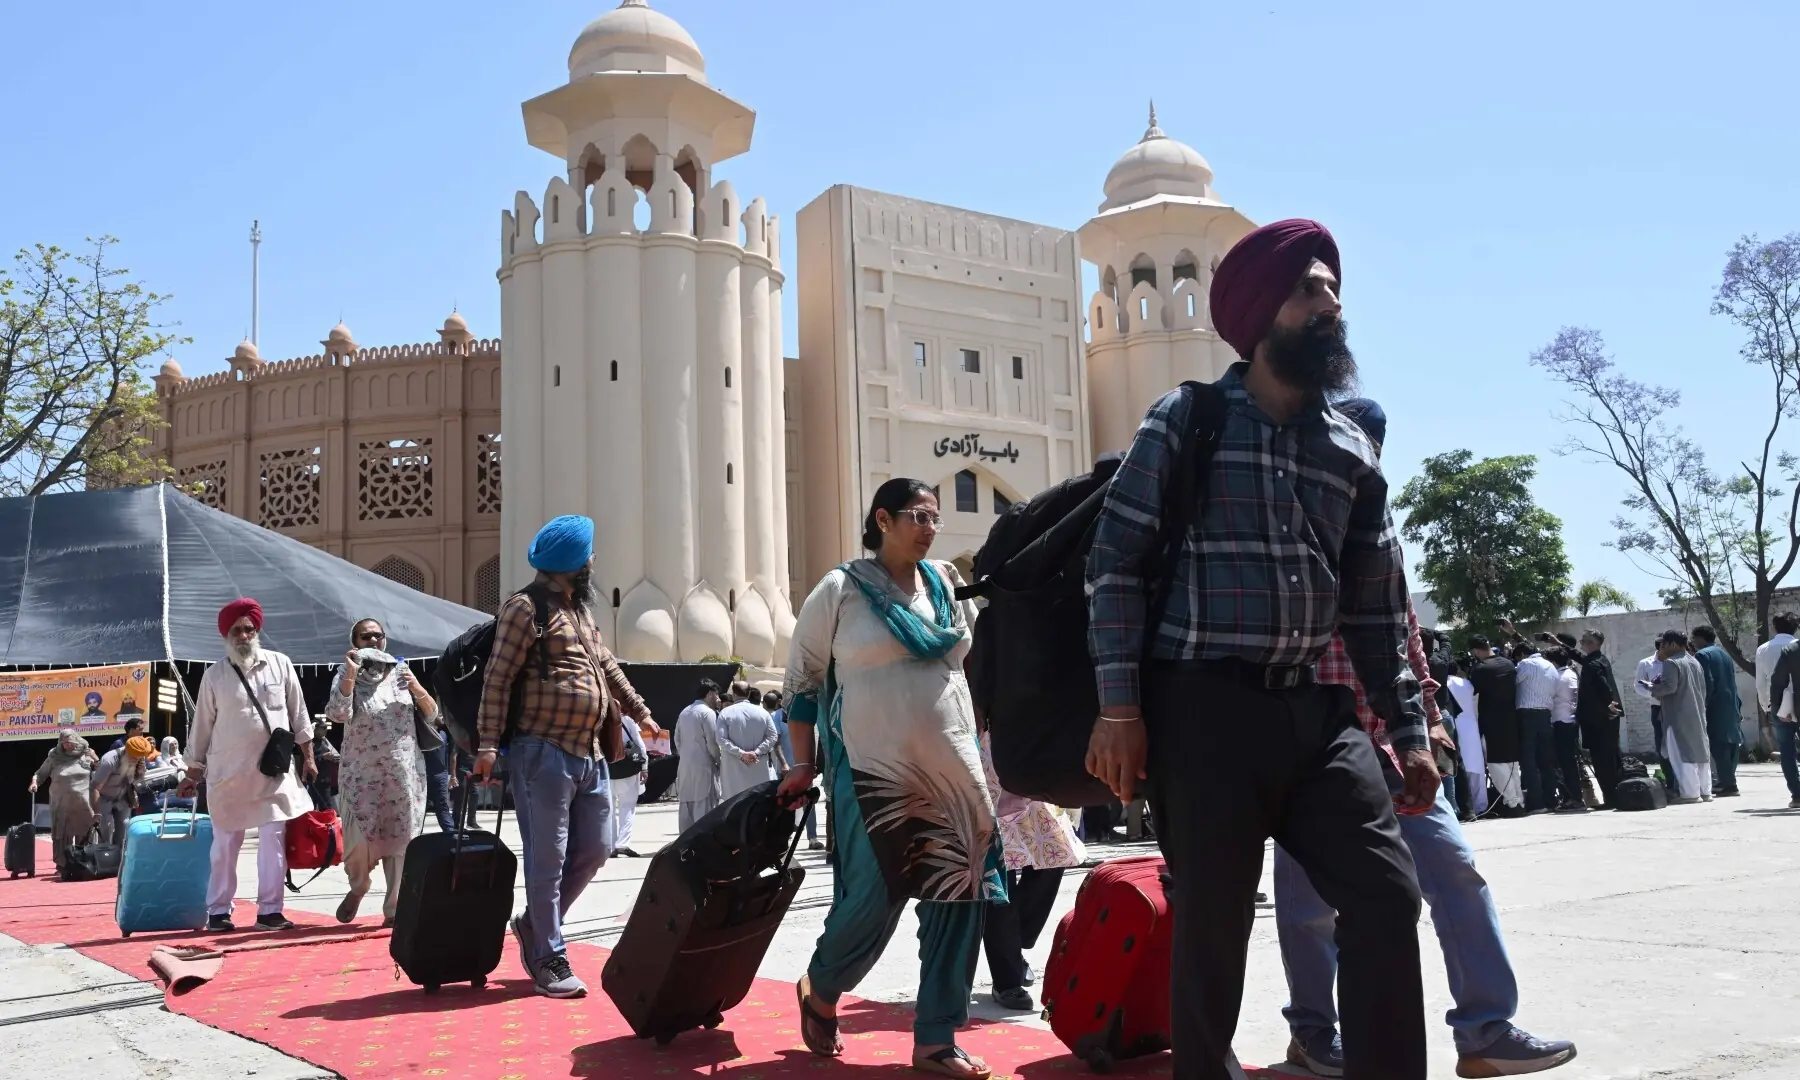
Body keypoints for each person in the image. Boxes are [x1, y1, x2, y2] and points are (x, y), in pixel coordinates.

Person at [1084, 219, 1431, 1080]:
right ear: (1256, 310)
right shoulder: (1191, 418)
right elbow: (1114, 562)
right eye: (1309, 289)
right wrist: (1120, 709)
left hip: (1315, 715)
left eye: (1333, 290)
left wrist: (1412, 730)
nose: (1330, 304)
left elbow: (1376, 609)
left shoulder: (1351, 451)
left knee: (1388, 896)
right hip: (1201, 709)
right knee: (1215, 921)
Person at [1281, 627, 1576, 1078]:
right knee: (1310, 901)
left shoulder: (1381, 560)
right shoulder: (1292, 559)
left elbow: (1410, 647)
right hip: (1311, 752)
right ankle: (1311, 1030)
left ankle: (1485, 1031)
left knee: (1456, 870)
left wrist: (1431, 720)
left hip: (1398, 747)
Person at [782, 477, 1002, 1080]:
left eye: (935, 517)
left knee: (958, 895)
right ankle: (821, 987)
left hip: (952, 770)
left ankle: (936, 1040)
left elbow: (966, 671)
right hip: (869, 770)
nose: (930, 527)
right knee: (873, 898)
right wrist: (803, 764)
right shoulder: (840, 589)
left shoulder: (948, 587)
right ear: (882, 519)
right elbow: (802, 683)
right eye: (917, 515)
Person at [470, 515, 651, 999]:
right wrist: (488, 745)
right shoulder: (525, 609)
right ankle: (548, 955)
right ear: (574, 562)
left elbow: (605, 665)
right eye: (589, 554)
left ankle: (535, 924)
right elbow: (498, 679)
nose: (594, 560)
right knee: (546, 860)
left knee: (596, 848)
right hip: (541, 751)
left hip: (588, 751)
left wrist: (640, 711)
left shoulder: (577, 611)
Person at [183, 598, 318, 932]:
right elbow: (201, 726)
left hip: (273, 772)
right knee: (225, 846)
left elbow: (298, 714)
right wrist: (192, 771)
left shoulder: (281, 664)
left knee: (273, 839)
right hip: (228, 775)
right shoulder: (214, 675)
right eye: (236, 631)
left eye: (249, 629)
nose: (243, 636)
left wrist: (310, 757)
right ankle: (218, 912)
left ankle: (270, 911)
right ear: (226, 636)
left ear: (257, 631)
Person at [326, 620, 434, 926]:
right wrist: (349, 674)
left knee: (402, 842)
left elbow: (432, 713)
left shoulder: (402, 671)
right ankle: (358, 887)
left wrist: (416, 687)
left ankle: (395, 910)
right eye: (366, 635)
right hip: (362, 775)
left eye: (378, 635)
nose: (373, 639)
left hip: (402, 772)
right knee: (359, 842)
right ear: (355, 642)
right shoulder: (346, 674)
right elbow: (337, 713)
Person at [977, 729, 1082, 1013]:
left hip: (1030, 761)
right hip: (985, 762)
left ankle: (1013, 942)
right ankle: (1007, 979)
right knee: (999, 877)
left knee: (1056, 856)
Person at [1645, 630, 1713, 803]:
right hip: (1697, 713)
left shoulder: (1671, 663)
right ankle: (1705, 791)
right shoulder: (1694, 661)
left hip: (1677, 716)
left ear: (1673, 644)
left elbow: (1669, 688)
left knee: (1681, 754)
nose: (1663, 649)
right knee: (1700, 753)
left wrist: (1652, 687)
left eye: (1664, 645)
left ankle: (1690, 794)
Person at [29, 730, 98, 876]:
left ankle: (82, 861)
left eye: (70, 742)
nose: (67, 745)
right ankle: (62, 864)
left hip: (82, 802)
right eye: (64, 742)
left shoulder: (86, 753)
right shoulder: (54, 756)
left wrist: (95, 759)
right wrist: (35, 783)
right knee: (61, 832)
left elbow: (100, 770)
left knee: (84, 830)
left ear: (77, 741)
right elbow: (40, 773)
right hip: (60, 801)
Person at [1469, 637, 1524, 817]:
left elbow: (1473, 693)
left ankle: (1511, 803)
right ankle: (1518, 801)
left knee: (1496, 764)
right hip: (1511, 718)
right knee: (1512, 763)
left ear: (1476, 651)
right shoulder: (1508, 664)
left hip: (1491, 722)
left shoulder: (1481, 669)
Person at [1690, 626, 1742, 798]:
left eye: (1694, 639)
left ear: (1701, 639)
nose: (1693, 643)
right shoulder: (1724, 654)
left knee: (1718, 744)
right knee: (1732, 742)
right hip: (1730, 703)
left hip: (1715, 705)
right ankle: (1728, 779)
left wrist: (1703, 704)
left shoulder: (1702, 655)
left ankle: (1729, 784)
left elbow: (1707, 682)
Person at [768, 689, 824, 850]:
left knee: (808, 802)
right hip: (786, 770)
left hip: (804, 768)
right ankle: (784, 837)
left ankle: (812, 837)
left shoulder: (807, 713)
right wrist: (784, 764)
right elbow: (776, 743)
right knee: (786, 804)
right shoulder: (777, 716)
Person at [1574, 630, 1624, 807]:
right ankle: (1615, 796)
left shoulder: (1594, 665)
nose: (1581, 645)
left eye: (1584, 642)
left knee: (1603, 761)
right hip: (1605, 718)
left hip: (1600, 720)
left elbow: (1604, 686)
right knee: (1610, 758)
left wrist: (1609, 703)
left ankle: (1611, 798)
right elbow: (1580, 657)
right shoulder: (1598, 660)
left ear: (1593, 643)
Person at [1756, 612, 1800, 808]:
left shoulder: (1764, 649)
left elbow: (1764, 682)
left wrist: (1767, 705)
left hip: (1782, 704)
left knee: (1786, 749)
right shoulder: (1794, 647)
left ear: (1774, 627)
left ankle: (1797, 794)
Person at [1513, 645, 1561, 814]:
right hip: (1546, 715)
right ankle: (1551, 800)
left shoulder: (1526, 664)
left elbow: (1513, 680)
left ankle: (1536, 803)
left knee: (1529, 761)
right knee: (1546, 761)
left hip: (1527, 715)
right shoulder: (1551, 667)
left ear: (1522, 655)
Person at [675, 680, 725, 831]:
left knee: (686, 810)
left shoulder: (684, 711)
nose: (718, 699)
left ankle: (685, 848)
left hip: (684, 768)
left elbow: (677, 740)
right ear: (710, 694)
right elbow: (712, 743)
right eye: (717, 695)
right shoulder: (707, 713)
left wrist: (686, 755)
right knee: (705, 810)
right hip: (704, 768)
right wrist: (719, 762)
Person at [718, 681, 779, 800]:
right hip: (758, 768)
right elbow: (773, 736)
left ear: (733, 694)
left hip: (733, 772)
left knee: (734, 807)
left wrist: (741, 753)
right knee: (757, 807)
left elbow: (721, 739)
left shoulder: (725, 713)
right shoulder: (763, 713)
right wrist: (756, 752)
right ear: (749, 693)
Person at [91, 736, 157, 846]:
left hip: (123, 797)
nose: (136, 760)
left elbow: (137, 780)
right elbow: (95, 788)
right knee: (105, 830)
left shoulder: (139, 758)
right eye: (134, 757)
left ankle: (119, 859)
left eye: (140, 758)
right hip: (103, 798)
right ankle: (104, 858)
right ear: (127, 751)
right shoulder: (109, 760)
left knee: (124, 829)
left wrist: (140, 772)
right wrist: (96, 812)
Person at [611, 705, 656, 858]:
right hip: (628, 770)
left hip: (608, 770)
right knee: (627, 807)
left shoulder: (602, 722)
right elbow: (640, 746)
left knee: (609, 810)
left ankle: (611, 845)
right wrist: (644, 767)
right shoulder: (628, 721)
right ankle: (623, 844)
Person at [1445, 662, 1487, 818]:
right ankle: (1479, 805)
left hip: (1456, 724)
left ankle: (1460, 806)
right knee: (1476, 767)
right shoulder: (1467, 684)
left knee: (1457, 766)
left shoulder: (1444, 683)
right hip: (1471, 724)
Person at [1548, 649, 1587, 812]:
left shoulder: (1557, 677)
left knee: (1565, 763)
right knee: (1570, 762)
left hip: (1560, 722)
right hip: (1570, 720)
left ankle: (1573, 797)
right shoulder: (1572, 674)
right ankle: (1574, 796)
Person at [1635, 643, 1665, 777]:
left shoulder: (1676, 662)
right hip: (1658, 707)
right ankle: (1668, 774)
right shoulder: (1646, 663)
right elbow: (1638, 686)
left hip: (1677, 707)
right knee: (1661, 742)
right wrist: (1653, 694)